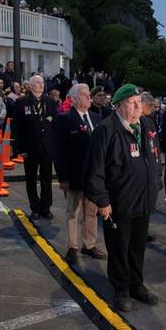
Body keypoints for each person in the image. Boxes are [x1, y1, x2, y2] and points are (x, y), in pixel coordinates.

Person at [83, 84, 162, 312]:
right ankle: (121, 288)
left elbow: (156, 156)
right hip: (119, 202)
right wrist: (102, 201)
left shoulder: (147, 124)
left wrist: (156, 182)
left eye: (139, 101)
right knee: (119, 247)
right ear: (118, 105)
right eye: (131, 103)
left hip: (144, 198)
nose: (138, 106)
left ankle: (137, 284)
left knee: (138, 246)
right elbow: (94, 169)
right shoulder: (106, 129)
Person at [54, 84, 106, 264]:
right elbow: (59, 151)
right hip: (74, 175)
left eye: (88, 95)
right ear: (75, 99)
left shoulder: (97, 118)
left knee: (91, 212)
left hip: (93, 176)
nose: (89, 98)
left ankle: (89, 245)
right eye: (85, 95)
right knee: (73, 212)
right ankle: (72, 246)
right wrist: (63, 178)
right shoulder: (64, 119)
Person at [14, 75, 58, 220]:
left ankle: (46, 207)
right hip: (30, 148)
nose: (41, 85)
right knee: (31, 179)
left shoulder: (50, 102)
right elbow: (18, 128)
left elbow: (54, 125)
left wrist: (54, 146)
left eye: (42, 82)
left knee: (47, 180)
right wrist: (21, 149)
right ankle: (35, 208)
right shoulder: (22, 102)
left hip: (46, 148)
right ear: (31, 86)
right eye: (37, 82)